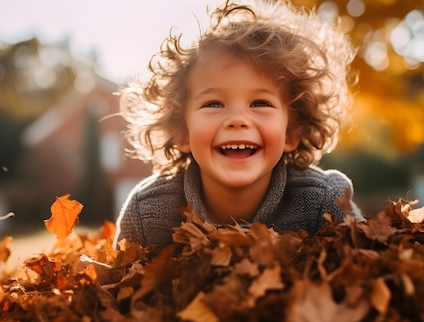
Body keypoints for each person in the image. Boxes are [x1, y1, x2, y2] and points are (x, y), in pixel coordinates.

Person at [113, 0, 363, 251]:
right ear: (182, 132)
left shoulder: (321, 203)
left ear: (291, 132)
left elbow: (370, 265)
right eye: (213, 104)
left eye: (260, 103)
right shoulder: (147, 214)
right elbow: (118, 283)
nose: (237, 120)